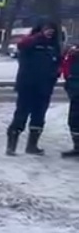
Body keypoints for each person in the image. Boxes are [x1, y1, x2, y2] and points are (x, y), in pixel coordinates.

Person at [7, 21, 61, 156]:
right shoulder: (31, 43)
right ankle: (11, 146)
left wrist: (54, 75)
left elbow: (58, 63)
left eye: (52, 30)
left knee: (39, 116)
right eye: (47, 29)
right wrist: (39, 37)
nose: (50, 32)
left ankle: (32, 145)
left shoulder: (54, 46)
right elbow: (22, 45)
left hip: (44, 87)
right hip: (27, 85)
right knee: (21, 114)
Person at [62, 42, 79, 157]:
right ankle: (77, 147)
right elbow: (66, 69)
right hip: (75, 90)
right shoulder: (73, 54)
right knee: (74, 120)